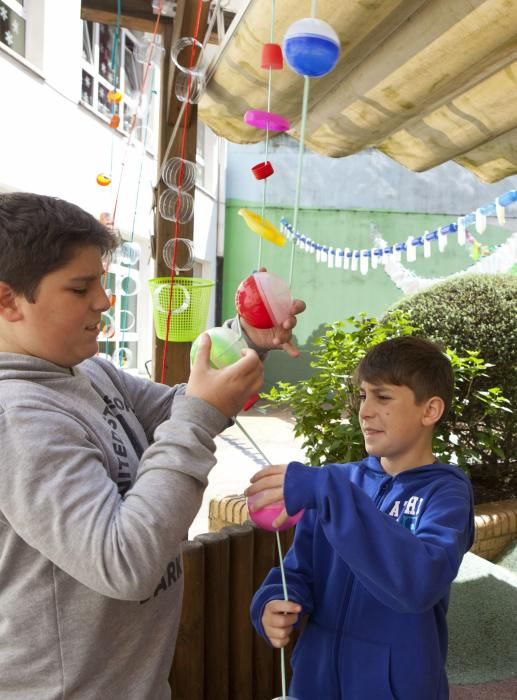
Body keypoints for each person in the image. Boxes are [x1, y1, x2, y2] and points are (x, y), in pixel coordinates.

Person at [0, 192, 305, 700]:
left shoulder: (85, 371)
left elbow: (181, 408)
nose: (103, 299)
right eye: (80, 288)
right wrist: (201, 414)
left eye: (100, 280)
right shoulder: (16, 419)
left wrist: (245, 340)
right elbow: (125, 563)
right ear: (7, 299)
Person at [247, 336, 475, 700]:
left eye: (383, 397)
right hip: (315, 683)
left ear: (429, 410)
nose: (365, 411)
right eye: (364, 395)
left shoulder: (446, 494)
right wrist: (272, 601)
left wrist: (330, 492)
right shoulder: (338, 482)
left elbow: (420, 583)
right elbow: (299, 570)